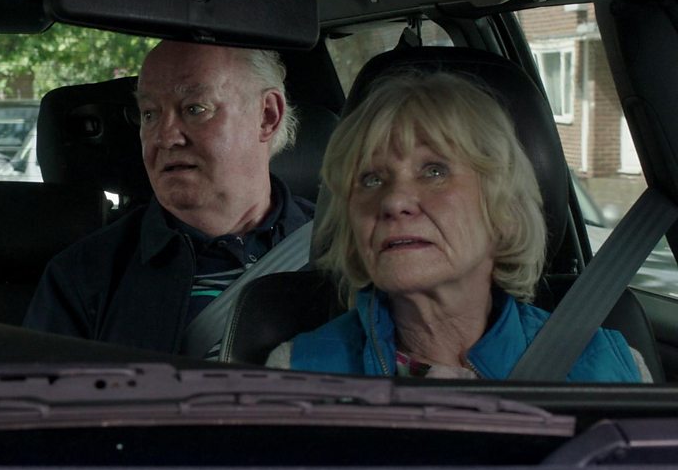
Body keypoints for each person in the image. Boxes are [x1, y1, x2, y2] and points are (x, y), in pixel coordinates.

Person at [265, 71, 647, 381]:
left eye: (434, 171)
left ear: (502, 210)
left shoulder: (612, 369)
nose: (394, 201)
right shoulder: (299, 374)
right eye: (371, 179)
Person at [23, 41, 311, 355]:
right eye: (149, 114)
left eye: (194, 109)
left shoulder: (338, 247)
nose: (164, 137)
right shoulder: (84, 277)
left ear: (267, 116)